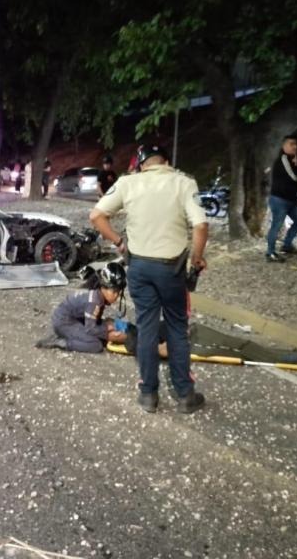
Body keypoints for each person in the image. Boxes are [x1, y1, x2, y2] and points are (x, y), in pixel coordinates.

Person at [90, 144, 209, 414]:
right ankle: (185, 395)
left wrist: (119, 242)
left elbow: (96, 215)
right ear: (167, 161)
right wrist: (197, 257)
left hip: (139, 267)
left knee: (146, 328)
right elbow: (201, 225)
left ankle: (148, 395)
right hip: (172, 269)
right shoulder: (183, 182)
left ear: (141, 164)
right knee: (178, 328)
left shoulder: (127, 183)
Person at [122, 321, 297, 366]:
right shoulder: (135, 342)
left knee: (246, 345)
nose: (113, 329)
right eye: (111, 330)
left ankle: (296, 354)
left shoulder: (133, 329)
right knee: (244, 349)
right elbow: (163, 351)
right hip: (192, 343)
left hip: (193, 333)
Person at [35, 262, 128, 353]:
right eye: (114, 292)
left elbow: (94, 320)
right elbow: (91, 329)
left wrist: (107, 326)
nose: (116, 296)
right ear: (103, 287)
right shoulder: (94, 301)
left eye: (119, 293)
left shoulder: (97, 293)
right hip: (64, 322)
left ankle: (68, 335)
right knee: (95, 344)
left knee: (106, 325)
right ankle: (62, 342)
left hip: (72, 318)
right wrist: (108, 331)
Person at [266, 135, 297, 262]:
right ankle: (270, 253)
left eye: (296, 144)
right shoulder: (283, 158)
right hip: (279, 199)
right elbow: (295, 177)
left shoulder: (293, 159)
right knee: (276, 225)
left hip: (292, 198)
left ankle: (287, 245)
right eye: (291, 144)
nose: (295, 146)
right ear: (284, 146)